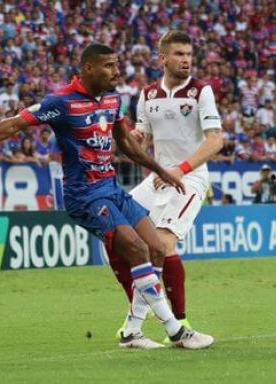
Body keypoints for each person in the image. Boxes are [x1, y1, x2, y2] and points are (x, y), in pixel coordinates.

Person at [0, 43, 213, 350]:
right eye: (109, 66)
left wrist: (161, 170)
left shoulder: (112, 99)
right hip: (84, 196)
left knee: (156, 247)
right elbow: (15, 123)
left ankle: (132, 332)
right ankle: (175, 329)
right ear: (89, 68)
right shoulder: (61, 102)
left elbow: (125, 143)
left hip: (111, 189)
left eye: (117, 65)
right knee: (136, 247)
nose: (117, 71)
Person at [115, 30, 224, 341]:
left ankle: (174, 323)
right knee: (117, 232)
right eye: (178, 54)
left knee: (161, 244)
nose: (186, 59)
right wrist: (132, 137)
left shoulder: (200, 92)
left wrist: (181, 169)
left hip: (189, 178)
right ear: (163, 58)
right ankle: (136, 326)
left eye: (189, 54)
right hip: (159, 177)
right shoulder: (148, 95)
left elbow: (216, 140)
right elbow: (142, 136)